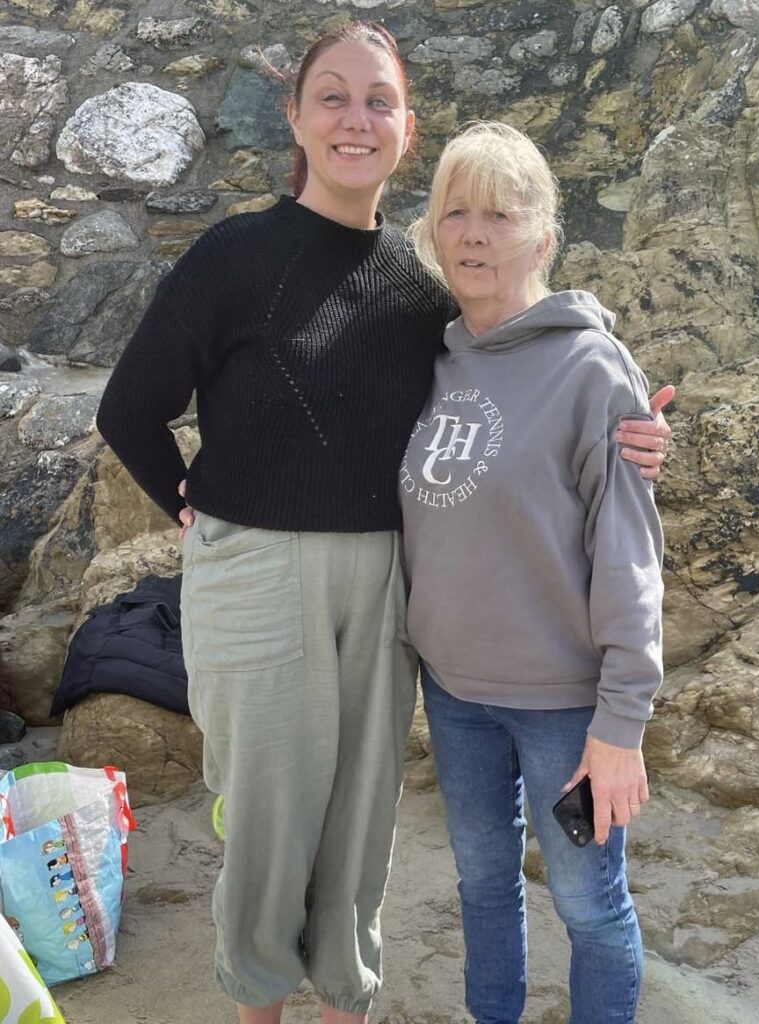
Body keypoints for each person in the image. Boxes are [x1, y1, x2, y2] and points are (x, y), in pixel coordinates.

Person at [95, 22, 670, 1024]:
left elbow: (528, 355)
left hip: (386, 587)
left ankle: (343, 1007)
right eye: (333, 95)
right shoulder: (236, 256)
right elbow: (129, 410)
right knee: (271, 828)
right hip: (259, 577)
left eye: (378, 101)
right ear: (296, 115)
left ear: (405, 131)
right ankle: (258, 1006)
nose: (355, 118)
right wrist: (191, 502)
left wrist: (637, 433)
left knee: (362, 823)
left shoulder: (420, 298)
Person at [401, 121, 664, 1024]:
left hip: (567, 702)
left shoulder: (592, 368)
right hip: (453, 692)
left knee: (588, 906)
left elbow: (631, 552)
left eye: (500, 214)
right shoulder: (426, 359)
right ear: (433, 233)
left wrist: (621, 724)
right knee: (481, 883)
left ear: (542, 236)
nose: (474, 233)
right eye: (455, 213)